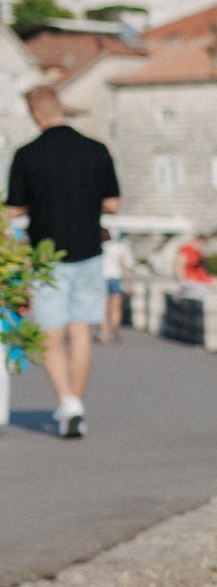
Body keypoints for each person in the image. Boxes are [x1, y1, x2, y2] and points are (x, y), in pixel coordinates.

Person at [4, 84, 120, 441]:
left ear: (36, 114)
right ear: (60, 108)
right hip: (89, 251)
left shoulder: (27, 154)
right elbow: (113, 203)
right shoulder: (96, 150)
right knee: (81, 330)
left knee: (50, 334)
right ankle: (77, 405)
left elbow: (14, 208)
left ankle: (67, 402)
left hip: (47, 257)